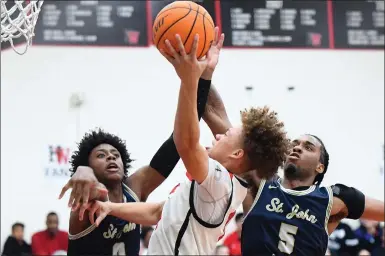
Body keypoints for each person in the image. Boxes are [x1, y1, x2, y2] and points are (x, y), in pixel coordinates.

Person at [84, 29, 290, 255]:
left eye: (226, 136)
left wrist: (189, 79)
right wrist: (204, 71)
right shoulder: (218, 184)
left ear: (237, 154)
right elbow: (157, 213)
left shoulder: (219, 183)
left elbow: (186, 143)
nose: (219, 135)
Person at [59, 29, 222, 255]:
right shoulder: (85, 204)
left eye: (115, 155)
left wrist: (200, 77)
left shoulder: (135, 188)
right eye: (101, 155)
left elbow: (179, 140)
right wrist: (82, 171)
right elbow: (88, 188)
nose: (111, 158)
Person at [201, 64, 385, 256]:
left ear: (320, 167)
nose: (297, 147)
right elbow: (214, 112)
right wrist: (200, 72)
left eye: (308, 147)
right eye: (295, 143)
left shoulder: (334, 200)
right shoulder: (258, 183)